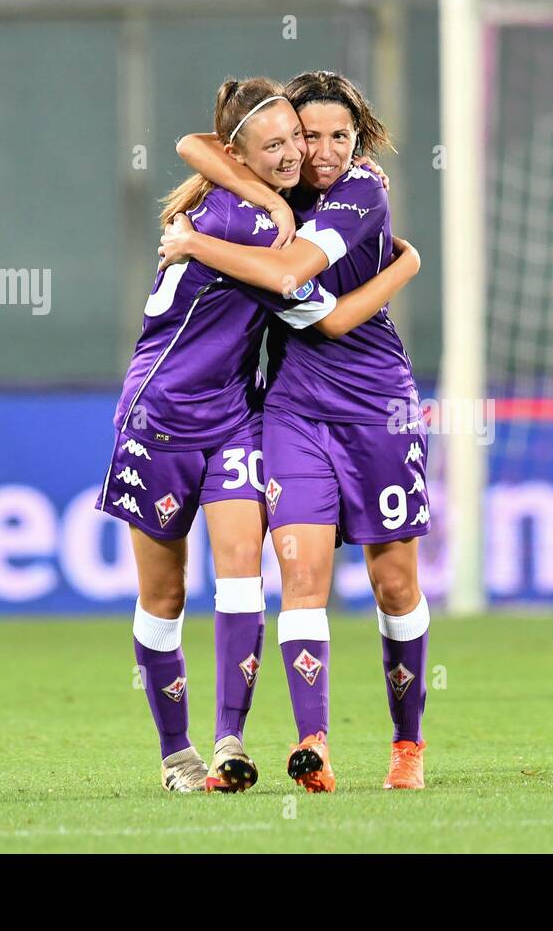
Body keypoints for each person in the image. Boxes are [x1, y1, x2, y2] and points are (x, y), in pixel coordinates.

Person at [101, 75, 421, 793]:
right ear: (238, 153)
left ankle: (228, 743)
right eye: (276, 145)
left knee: (243, 572)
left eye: (299, 140)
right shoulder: (246, 223)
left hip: (239, 413)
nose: (295, 154)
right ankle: (176, 751)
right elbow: (314, 302)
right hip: (161, 416)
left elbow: (193, 144)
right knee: (165, 596)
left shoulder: (271, 204)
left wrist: (275, 198)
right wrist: (406, 262)